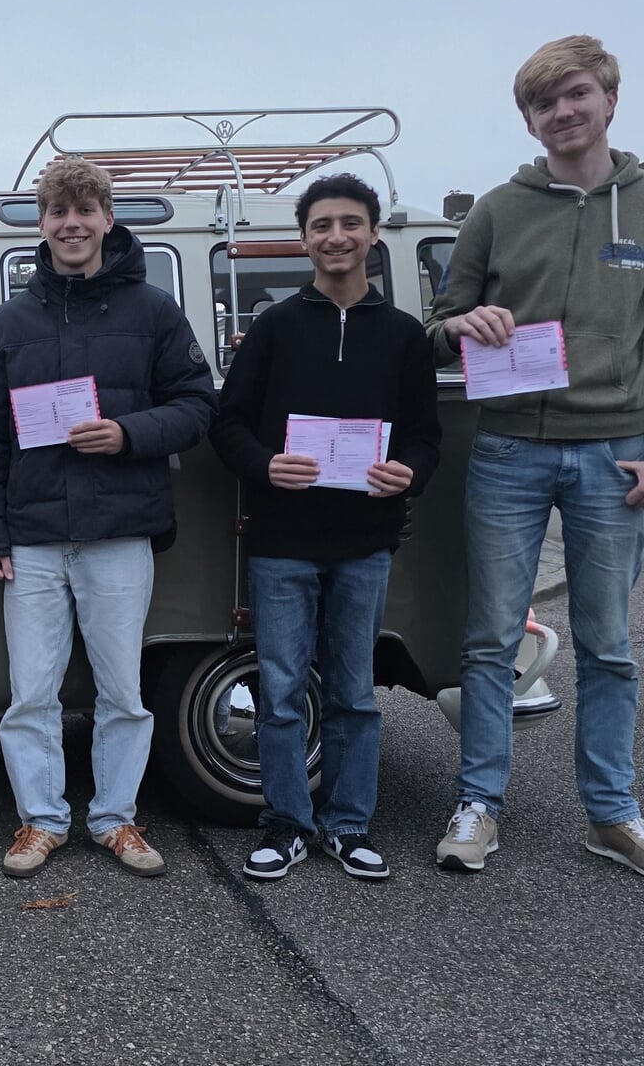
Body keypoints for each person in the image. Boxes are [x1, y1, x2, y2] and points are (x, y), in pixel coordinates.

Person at [425, 35, 644, 882]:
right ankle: (477, 805)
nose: (561, 112)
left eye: (575, 94)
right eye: (542, 103)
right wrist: (459, 324)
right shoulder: (494, 210)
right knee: (489, 641)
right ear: (528, 119)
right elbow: (436, 324)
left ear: (608, 99)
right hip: (507, 448)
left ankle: (612, 816)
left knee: (608, 645)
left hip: (614, 454)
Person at [0, 156, 216, 879]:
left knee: (122, 692)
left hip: (119, 533)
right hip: (33, 539)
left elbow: (198, 406)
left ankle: (115, 818)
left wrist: (126, 433)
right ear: (41, 223)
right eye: (57, 211)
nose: (70, 224)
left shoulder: (155, 311)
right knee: (30, 694)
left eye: (84, 210)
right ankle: (41, 821)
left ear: (107, 218)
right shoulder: (9, 323)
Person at [209, 174, 442, 881]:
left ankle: (347, 826)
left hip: (365, 543)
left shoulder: (402, 335)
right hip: (281, 541)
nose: (336, 236)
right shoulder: (275, 327)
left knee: (352, 694)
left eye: (349, 223)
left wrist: (408, 471)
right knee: (281, 693)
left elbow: (425, 435)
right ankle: (285, 825)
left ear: (373, 234)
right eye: (321, 225)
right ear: (303, 238)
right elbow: (227, 424)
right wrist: (264, 465)